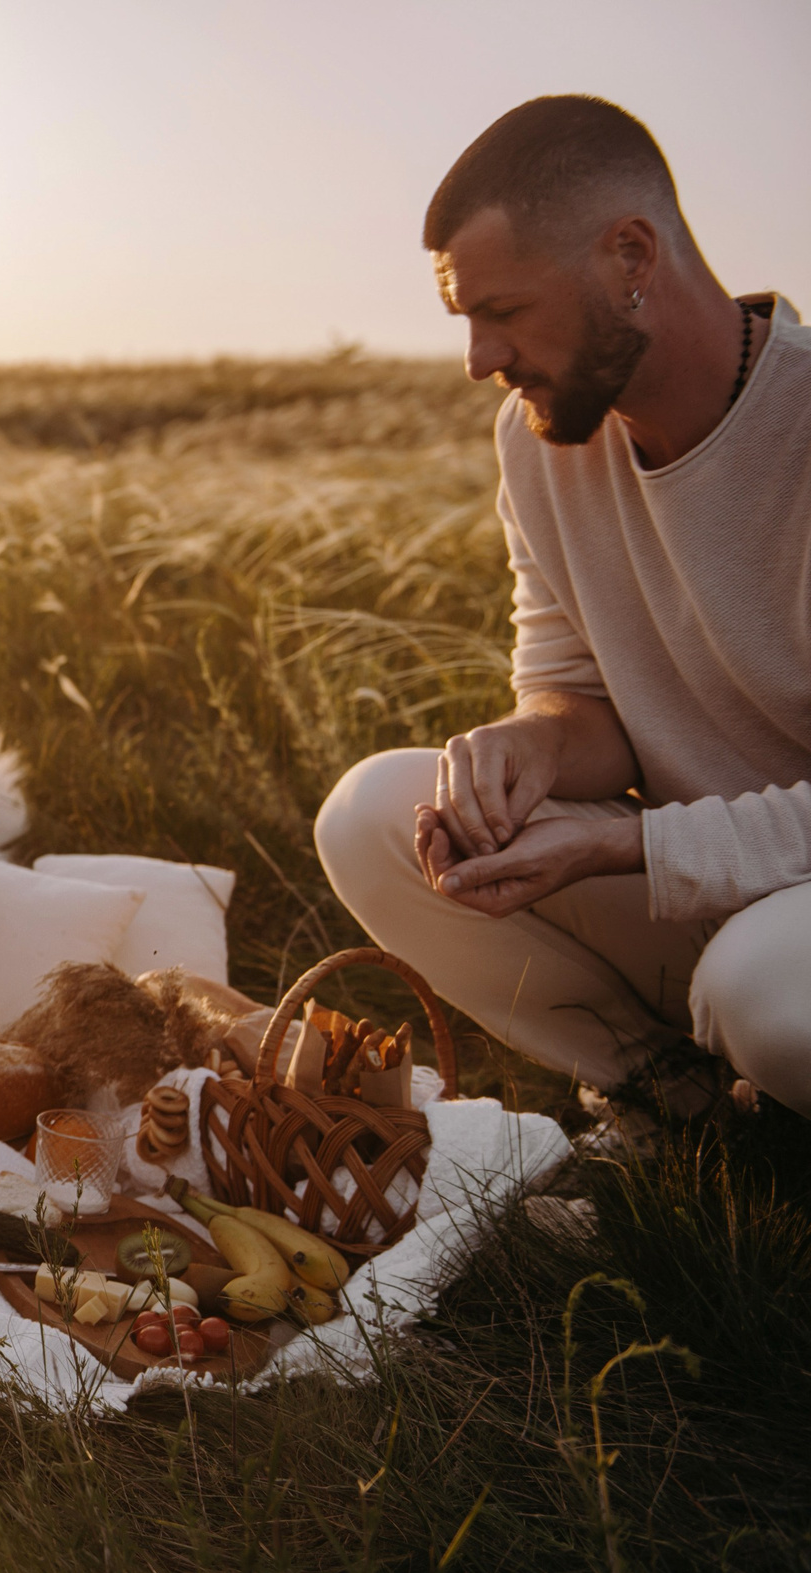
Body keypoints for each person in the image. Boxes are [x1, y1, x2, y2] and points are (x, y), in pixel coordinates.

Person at [315, 96, 809, 1117]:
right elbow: (575, 693)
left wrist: (623, 845)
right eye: (465, 320)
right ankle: (668, 1098)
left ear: (630, 256)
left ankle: (755, 1073)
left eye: (502, 311)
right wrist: (529, 744)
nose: (478, 360)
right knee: (374, 815)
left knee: (765, 990)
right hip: (693, 888)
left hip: (776, 932)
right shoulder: (535, 442)